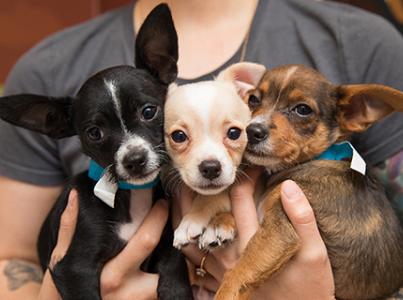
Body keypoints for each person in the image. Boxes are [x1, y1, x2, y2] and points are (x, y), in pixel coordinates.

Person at [0, 0, 402, 299]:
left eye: (234, 132)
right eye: (177, 136)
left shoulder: (362, 43)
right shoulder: (48, 66)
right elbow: (12, 258)